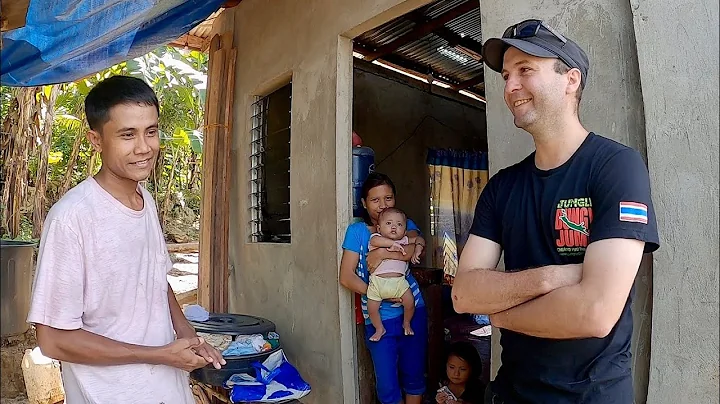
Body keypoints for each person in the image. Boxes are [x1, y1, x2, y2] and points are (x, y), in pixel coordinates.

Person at [451, 19, 660, 404]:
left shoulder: (615, 167)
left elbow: (594, 314)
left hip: (591, 396)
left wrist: (500, 314)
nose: (510, 86)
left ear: (571, 80)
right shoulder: (503, 186)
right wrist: (552, 277)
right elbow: (463, 295)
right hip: (510, 393)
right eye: (507, 75)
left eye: (525, 70)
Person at [26, 75, 225, 403]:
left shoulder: (144, 200)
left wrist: (187, 336)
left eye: (151, 131)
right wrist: (159, 354)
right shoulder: (73, 218)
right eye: (127, 135)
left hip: (166, 387)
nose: (144, 147)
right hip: (109, 394)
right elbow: (53, 340)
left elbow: (156, 279)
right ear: (95, 139)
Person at [339, 172, 428, 404]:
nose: (382, 205)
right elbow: (346, 277)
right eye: (375, 200)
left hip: (412, 309)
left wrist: (379, 252)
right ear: (364, 203)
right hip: (378, 317)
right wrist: (380, 293)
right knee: (387, 386)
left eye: (388, 198)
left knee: (414, 376)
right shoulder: (356, 232)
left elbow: (410, 250)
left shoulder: (403, 223)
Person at [367, 207, 420, 341]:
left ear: (405, 230)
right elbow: (374, 242)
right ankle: (379, 328)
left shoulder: (404, 240)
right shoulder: (377, 238)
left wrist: (418, 248)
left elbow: (419, 240)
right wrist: (392, 244)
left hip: (399, 283)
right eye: (389, 223)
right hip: (377, 283)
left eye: (399, 224)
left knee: (410, 303)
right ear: (379, 229)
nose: (394, 227)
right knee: (372, 309)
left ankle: (406, 323)